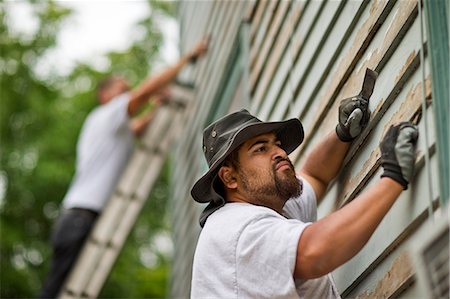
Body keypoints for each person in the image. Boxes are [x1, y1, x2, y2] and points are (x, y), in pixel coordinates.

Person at [190, 80, 418, 297]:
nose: (279, 153)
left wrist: (342, 135)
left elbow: (314, 175)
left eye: (276, 145)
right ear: (229, 177)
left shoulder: (273, 207)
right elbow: (316, 252)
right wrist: (393, 178)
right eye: (260, 149)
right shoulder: (238, 230)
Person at [38, 38, 208, 298]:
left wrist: (157, 107)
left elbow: (137, 127)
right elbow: (143, 93)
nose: (127, 93)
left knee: (60, 289)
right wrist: (187, 58)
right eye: (122, 88)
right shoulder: (105, 115)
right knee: (56, 292)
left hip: (79, 218)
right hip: (79, 218)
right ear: (104, 95)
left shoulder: (110, 127)